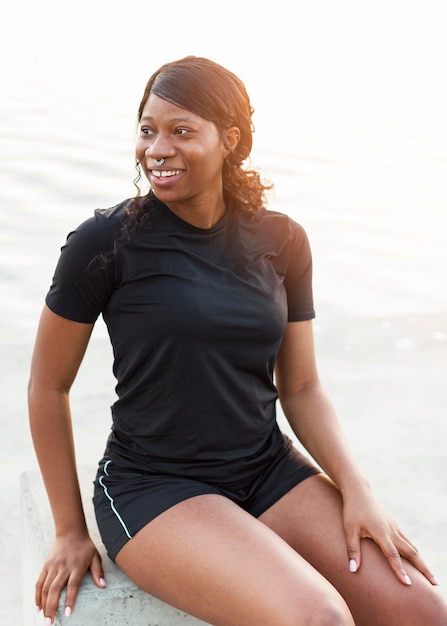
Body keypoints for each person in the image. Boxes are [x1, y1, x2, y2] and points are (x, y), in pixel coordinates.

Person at [28, 56, 447, 626]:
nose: (156, 148)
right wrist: (69, 530)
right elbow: (47, 387)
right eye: (147, 130)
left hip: (266, 468)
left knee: (422, 609)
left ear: (230, 140)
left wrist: (356, 488)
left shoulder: (282, 240)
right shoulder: (105, 242)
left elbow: (300, 386)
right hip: (155, 486)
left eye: (181, 131)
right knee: (319, 618)